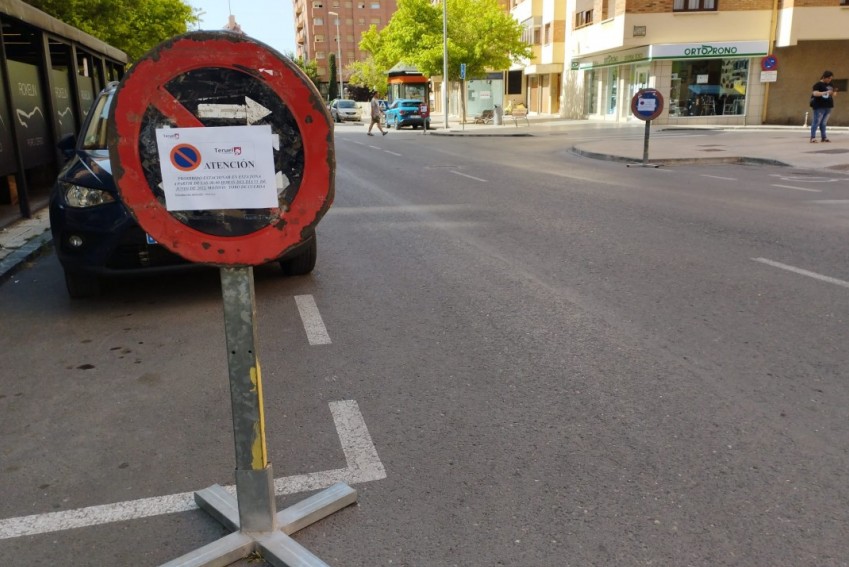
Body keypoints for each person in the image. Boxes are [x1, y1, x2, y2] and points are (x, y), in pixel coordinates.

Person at [810, 70, 837, 143]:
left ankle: (824, 137)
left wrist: (833, 93)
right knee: (816, 122)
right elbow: (815, 93)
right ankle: (813, 137)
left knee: (824, 123)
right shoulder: (818, 84)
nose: (830, 80)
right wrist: (825, 92)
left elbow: (834, 93)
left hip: (828, 106)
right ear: (824, 77)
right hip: (819, 106)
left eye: (831, 78)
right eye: (828, 78)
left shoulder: (831, 84)